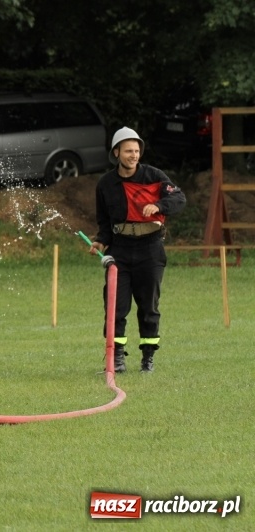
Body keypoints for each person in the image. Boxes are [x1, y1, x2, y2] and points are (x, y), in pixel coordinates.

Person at [89, 127, 186, 373]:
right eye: (128, 151)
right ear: (116, 152)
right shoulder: (106, 184)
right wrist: (100, 241)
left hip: (150, 249)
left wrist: (158, 205)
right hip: (119, 250)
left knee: (148, 306)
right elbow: (104, 221)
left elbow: (179, 199)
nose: (134, 155)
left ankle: (148, 359)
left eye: (137, 151)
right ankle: (116, 359)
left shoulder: (154, 176)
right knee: (115, 306)